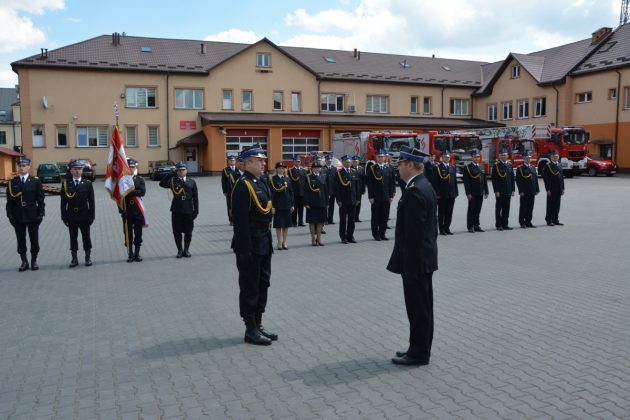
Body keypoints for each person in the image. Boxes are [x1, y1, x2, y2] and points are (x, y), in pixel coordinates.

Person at [387, 146, 438, 366]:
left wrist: (409, 265)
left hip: (416, 262)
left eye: (400, 164)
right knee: (422, 308)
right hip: (423, 258)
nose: (398, 168)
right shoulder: (422, 185)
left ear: (409, 165)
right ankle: (417, 347)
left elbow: (414, 234)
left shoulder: (416, 191)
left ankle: (418, 353)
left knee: (418, 309)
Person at [231, 145, 277, 346]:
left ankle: (258, 323)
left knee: (263, 283)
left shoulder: (262, 181)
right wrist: (244, 249)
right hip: (250, 245)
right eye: (259, 160)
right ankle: (250, 329)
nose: (263, 163)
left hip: (263, 241)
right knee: (250, 286)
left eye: (263, 160)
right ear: (248, 163)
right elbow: (240, 222)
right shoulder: (242, 185)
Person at [6, 157, 45, 271]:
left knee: (34, 240)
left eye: (24, 166)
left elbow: (41, 200)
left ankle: (34, 261)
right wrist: (10, 215)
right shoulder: (12, 182)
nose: (22, 168)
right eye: (20, 166)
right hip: (18, 216)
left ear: (28, 167)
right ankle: (24, 261)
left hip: (33, 215)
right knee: (20, 240)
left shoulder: (35, 181)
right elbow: (9, 201)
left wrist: (41, 214)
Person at [160, 162, 199, 258]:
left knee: (188, 232)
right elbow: (162, 184)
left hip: (189, 210)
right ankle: (180, 250)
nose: (181, 172)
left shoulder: (191, 181)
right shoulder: (173, 181)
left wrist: (196, 211)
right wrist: (170, 173)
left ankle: (186, 250)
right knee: (177, 232)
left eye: (183, 170)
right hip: (176, 210)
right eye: (179, 170)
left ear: (186, 171)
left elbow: (195, 198)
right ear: (177, 171)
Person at [61, 160, 95, 267]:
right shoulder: (66, 184)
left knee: (86, 237)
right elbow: (63, 203)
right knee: (73, 237)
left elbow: (92, 202)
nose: (77, 171)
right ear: (71, 171)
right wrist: (64, 217)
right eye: (75, 169)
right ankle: (74, 258)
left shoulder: (87, 184)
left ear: (82, 170)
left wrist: (92, 216)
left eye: (79, 169)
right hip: (71, 216)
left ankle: (87, 257)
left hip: (84, 215)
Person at [120, 159, 147, 262]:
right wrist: (122, 211)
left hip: (138, 211)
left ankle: (137, 253)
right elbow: (119, 198)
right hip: (127, 211)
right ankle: (130, 254)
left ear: (135, 168)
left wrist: (130, 192)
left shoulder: (139, 179)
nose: (131, 168)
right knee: (128, 233)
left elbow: (142, 192)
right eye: (129, 167)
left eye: (133, 167)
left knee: (138, 233)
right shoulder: (122, 180)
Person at [366, 149, 395, 241]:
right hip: (376, 196)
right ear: (376, 157)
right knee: (375, 216)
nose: (380, 158)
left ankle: (382, 233)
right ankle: (376, 234)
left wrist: (391, 195)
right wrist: (370, 196)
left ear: (385, 157)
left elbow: (391, 183)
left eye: (382, 156)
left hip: (386, 196)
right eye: (379, 156)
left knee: (385, 216)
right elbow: (369, 184)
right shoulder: (372, 168)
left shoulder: (389, 168)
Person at [335, 155, 361, 244]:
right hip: (343, 200)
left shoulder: (354, 172)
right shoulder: (339, 173)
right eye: (346, 162)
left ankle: (350, 236)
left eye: (349, 162)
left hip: (353, 200)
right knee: (343, 220)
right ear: (343, 162)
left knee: (352, 220)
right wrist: (338, 200)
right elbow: (337, 188)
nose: (348, 163)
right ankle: (343, 237)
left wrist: (358, 198)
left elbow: (357, 187)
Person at [462, 150, 489, 233]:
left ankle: (476, 225)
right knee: (471, 209)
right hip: (472, 192)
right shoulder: (468, 167)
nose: (477, 158)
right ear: (472, 157)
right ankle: (470, 226)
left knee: (478, 209)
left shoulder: (481, 166)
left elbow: (484, 179)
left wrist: (486, 190)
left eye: (478, 157)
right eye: (475, 157)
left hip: (480, 191)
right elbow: (466, 182)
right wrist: (468, 193)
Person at [433, 151, 459, 235]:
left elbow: (454, 181)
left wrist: (456, 192)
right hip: (442, 194)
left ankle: (447, 228)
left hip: (451, 194)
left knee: (449, 212)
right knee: (441, 213)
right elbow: (435, 182)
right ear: (442, 158)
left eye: (448, 157)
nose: (447, 159)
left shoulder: (452, 167)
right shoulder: (438, 168)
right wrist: (437, 193)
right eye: (445, 157)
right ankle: (441, 229)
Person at [270, 162, 293, 250]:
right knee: (279, 225)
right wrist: (272, 206)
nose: (281, 170)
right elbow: (271, 194)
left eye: (283, 168)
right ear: (276, 169)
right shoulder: (273, 179)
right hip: (278, 205)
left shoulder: (287, 179)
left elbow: (291, 192)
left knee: (286, 225)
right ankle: (279, 241)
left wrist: (292, 204)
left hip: (287, 204)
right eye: (279, 168)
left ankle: (285, 241)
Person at [305, 160, 328, 246]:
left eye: (318, 168)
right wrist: (306, 202)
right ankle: (313, 239)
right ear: (312, 169)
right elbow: (306, 190)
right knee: (312, 221)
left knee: (320, 221)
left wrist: (327, 202)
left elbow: (325, 190)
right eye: (315, 168)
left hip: (321, 202)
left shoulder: (323, 176)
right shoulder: (308, 177)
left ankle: (319, 238)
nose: (316, 169)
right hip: (311, 202)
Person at [491, 149, 515, 231]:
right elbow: (494, 179)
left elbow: (512, 178)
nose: (504, 156)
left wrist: (513, 189)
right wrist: (496, 191)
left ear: (507, 156)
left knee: (506, 208)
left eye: (505, 155)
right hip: (500, 191)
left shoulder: (509, 165)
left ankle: (505, 224)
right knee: (499, 208)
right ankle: (498, 225)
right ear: (499, 156)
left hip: (508, 190)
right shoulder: (496, 165)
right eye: (502, 155)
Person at [515, 151, 539, 228]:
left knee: (530, 207)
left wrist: (537, 189)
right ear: (523, 159)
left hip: (532, 190)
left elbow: (535, 179)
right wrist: (520, 191)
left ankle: (529, 221)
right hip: (524, 191)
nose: (528, 159)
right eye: (526, 158)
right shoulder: (520, 168)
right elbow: (518, 180)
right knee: (523, 207)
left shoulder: (533, 167)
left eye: (529, 158)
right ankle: (522, 222)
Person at [542, 150, 565, 226]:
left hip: (558, 188)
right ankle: (549, 220)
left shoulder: (559, 165)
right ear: (551, 157)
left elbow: (561, 178)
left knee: (557, 205)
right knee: (550, 205)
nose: (556, 158)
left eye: (557, 156)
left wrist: (562, 188)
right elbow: (546, 179)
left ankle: (555, 219)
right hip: (551, 189)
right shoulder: (548, 166)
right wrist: (548, 189)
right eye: (554, 156)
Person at [221, 155, 238, 225]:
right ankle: (231, 220)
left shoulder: (238, 169)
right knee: (230, 205)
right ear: (228, 161)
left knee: (237, 204)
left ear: (235, 161)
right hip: (229, 191)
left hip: (237, 190)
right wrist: (224, 191)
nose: (232, 162)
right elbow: (223, 181)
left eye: (233, 160)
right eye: (230, 161)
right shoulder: (225, 170)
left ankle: (237, 218)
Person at [288, 156, 306, 227]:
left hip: (302, 192)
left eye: (299, 162)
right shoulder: (290, 171)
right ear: (293, 162)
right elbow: (289, 182)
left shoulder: (304, 170)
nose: (298, 163)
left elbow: (305, 182)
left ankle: (301, 222)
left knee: (301, 208)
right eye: (296, 162)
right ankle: (294, 222)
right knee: (294, 208)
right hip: (294, 192)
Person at [323, 154, 337, 224]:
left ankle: (330, 219)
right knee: (325, 205)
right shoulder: (322, 169)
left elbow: (336, 180)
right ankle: (325, 219)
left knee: (332, 206)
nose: (329, 161)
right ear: (325, 161)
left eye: (330, 160)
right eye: (328, 160)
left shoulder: (334, 168)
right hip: (325, 191)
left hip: (333, 190)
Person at [352, 156, 366, 222]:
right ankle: (352, 216)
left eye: (357, 161)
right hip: (352, 189)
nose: (355, 162)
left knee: (358, 203)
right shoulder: (350, 169)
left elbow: (363, 180)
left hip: (359, 189)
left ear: (358, 162)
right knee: (352, 203)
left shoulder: (361, 169)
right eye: (354, 161)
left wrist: (363, 189)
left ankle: (357, 217)